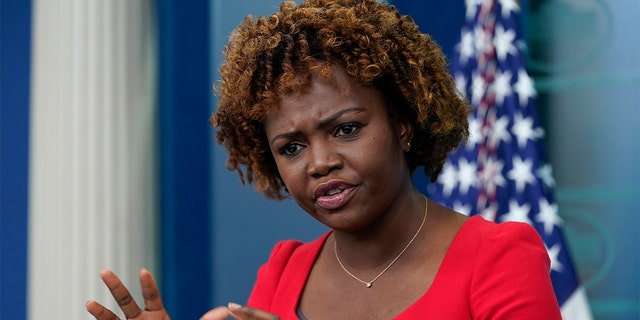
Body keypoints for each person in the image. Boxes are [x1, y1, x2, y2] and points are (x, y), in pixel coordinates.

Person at [86, 0, 562, 319]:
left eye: (346, 129)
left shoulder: (498, 257)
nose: (319, 162)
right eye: (291, 147)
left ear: (403, 122)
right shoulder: (285, 271)